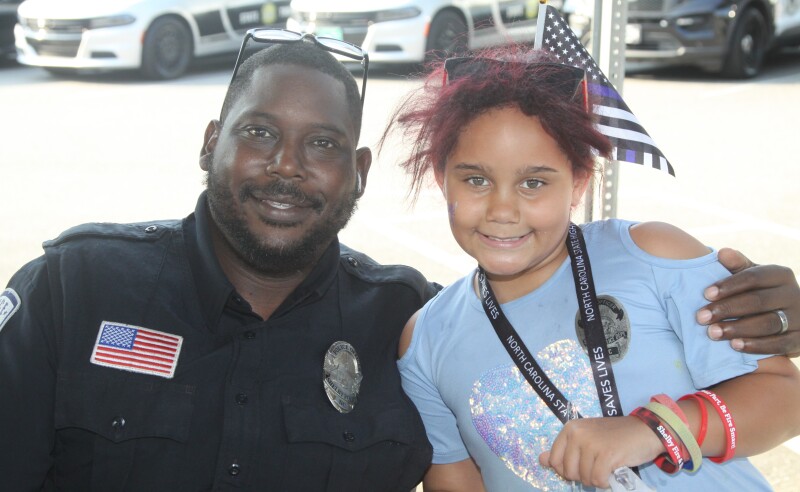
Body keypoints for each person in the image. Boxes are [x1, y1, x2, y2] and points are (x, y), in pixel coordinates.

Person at [0, 30, 797, 491]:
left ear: (360, 173)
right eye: (258, 133)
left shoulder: (398, 320)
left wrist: (775, 311)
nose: (287, 166)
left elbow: (777, 384)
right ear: (212, 142)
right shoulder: (75, 289)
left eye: (322, 145)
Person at [389, 47, 800, 491]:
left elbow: (785, 395)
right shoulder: (425, 342)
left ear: (579, 182)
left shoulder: (654, 254)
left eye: (534, 183)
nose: (502, 210)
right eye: (476, 180)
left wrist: (654, 431)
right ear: (439, 176)